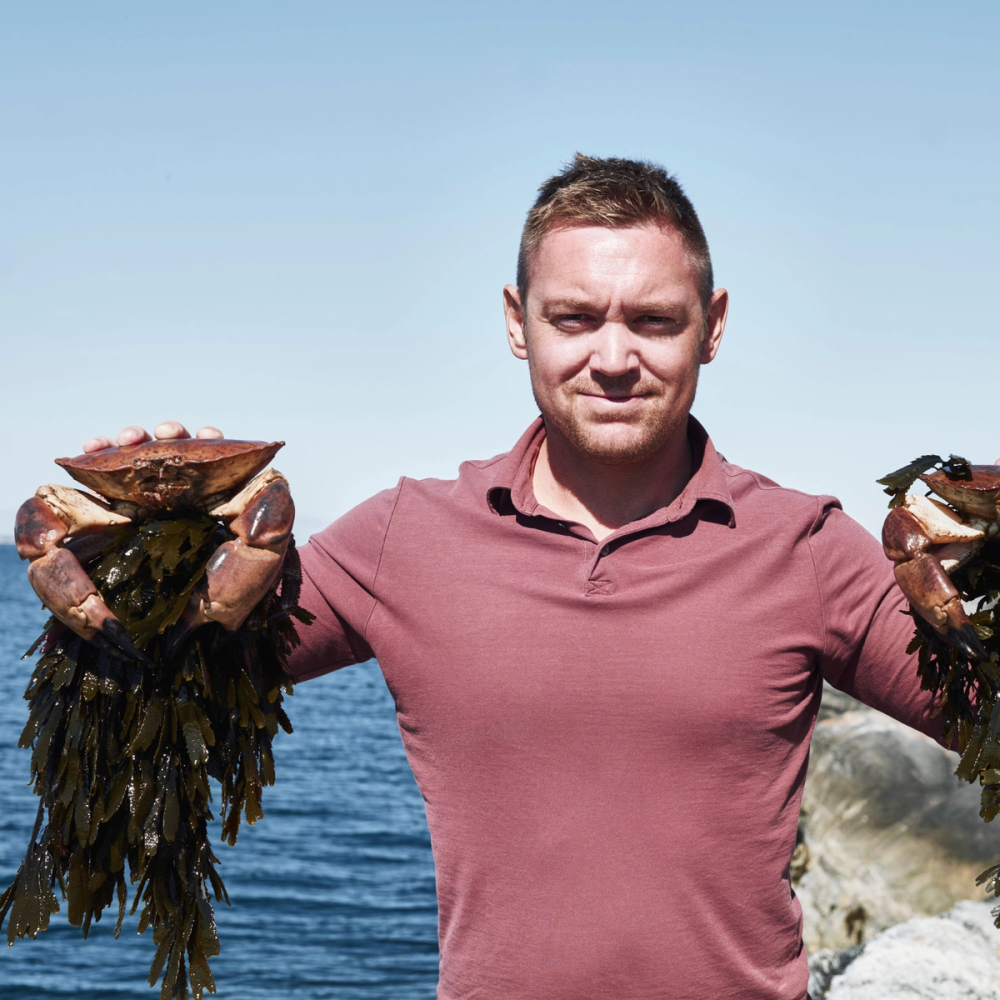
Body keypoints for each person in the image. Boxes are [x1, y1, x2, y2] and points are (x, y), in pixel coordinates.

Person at [79, 155, 958, 1000]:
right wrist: (136, 553)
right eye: (574, 318)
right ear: (516, 320)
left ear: (713, 324)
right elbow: (158, 677)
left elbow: (985, 709)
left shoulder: (803, 544)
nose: (613, 359)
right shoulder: (405, 537)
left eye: (654, 320)